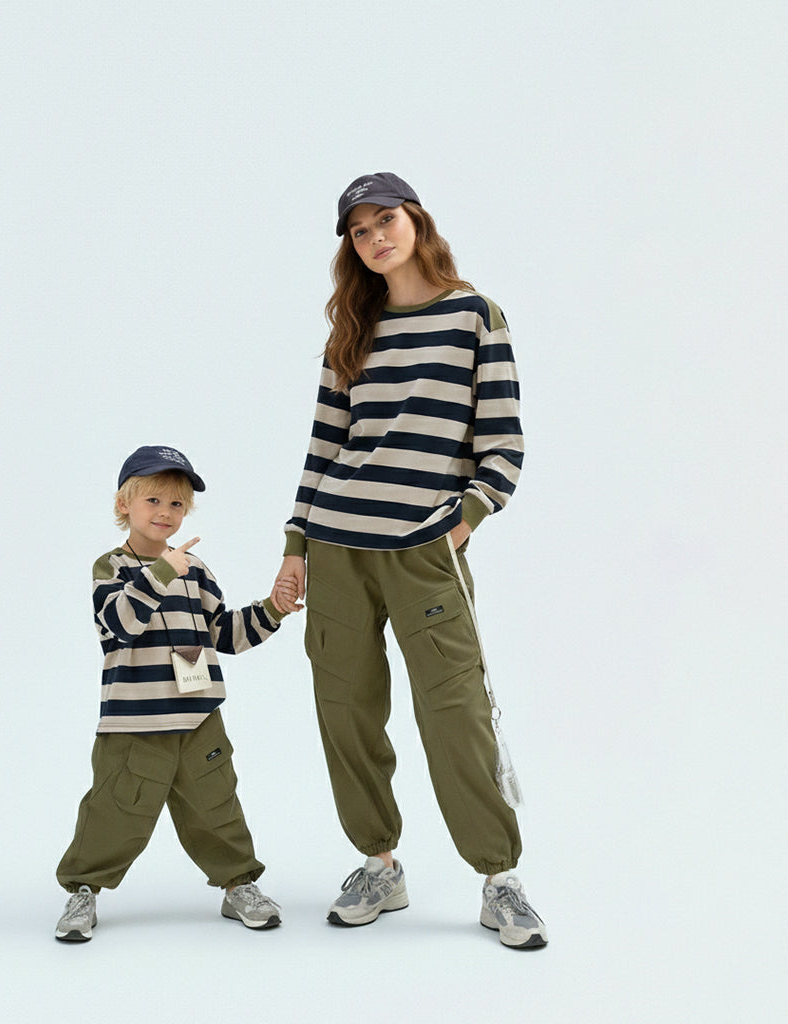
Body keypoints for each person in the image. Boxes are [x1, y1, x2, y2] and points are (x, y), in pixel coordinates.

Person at [271, 172, 547, 949]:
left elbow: (503, 446)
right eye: (359, 232)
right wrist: (296, 546)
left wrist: (459, 524)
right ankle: (379, 864)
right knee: (348, 714)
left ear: (416, 221)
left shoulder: (474, 316)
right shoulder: (351, 331)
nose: (375, 238)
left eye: (385, 219)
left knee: (456, 714)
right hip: (336, 546)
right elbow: (323, 448)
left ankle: (499, 879)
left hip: (424, 552)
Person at [55, 445, 289, 942]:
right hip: (134, 723)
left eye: (177, 505)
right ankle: (84, 893)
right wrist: (163, 571)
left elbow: (224, 634)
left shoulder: (195, 569)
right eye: (153, 501)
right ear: (125, 504)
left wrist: (273, 608)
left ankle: (238, 885)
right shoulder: (111, 566)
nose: (165, 512)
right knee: (114, 811)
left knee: (217, 807)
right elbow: (120, 624)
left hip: (198, 717)